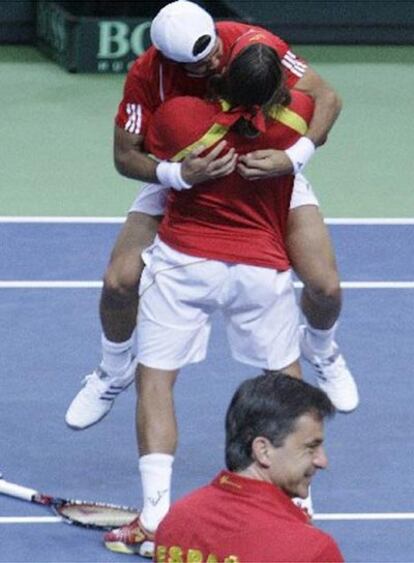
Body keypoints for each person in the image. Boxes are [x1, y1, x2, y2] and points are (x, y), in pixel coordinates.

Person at [65, 0, 358, 432]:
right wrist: (177, 174)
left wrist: (294, 157)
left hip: (271, 178)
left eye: (216, 50)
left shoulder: (252, 45)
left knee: (325, 287)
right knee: (119, 281)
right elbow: (125, 156)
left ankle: (324, 351)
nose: (217, 61)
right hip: (183, 181)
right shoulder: (148, 76)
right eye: (202, 63)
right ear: (171, 59)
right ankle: (112, 369)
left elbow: (327, 96)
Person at [103, 37, 326, 558]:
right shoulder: (295, 118)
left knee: (156, 380)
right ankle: (298, 509)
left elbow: (141, 155)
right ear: (277, 93)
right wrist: (295, 154)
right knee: (286, 387)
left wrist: (186, 169)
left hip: (187, 263)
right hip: (261, 270)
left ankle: (156, 515)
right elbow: (322, 97)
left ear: (223, 79)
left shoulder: (179, 116)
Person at [154, 372, 343, 563]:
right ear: (263, 451)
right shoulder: (313, 551)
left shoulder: (176, 520)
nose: (322, 460)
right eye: (311, 447)